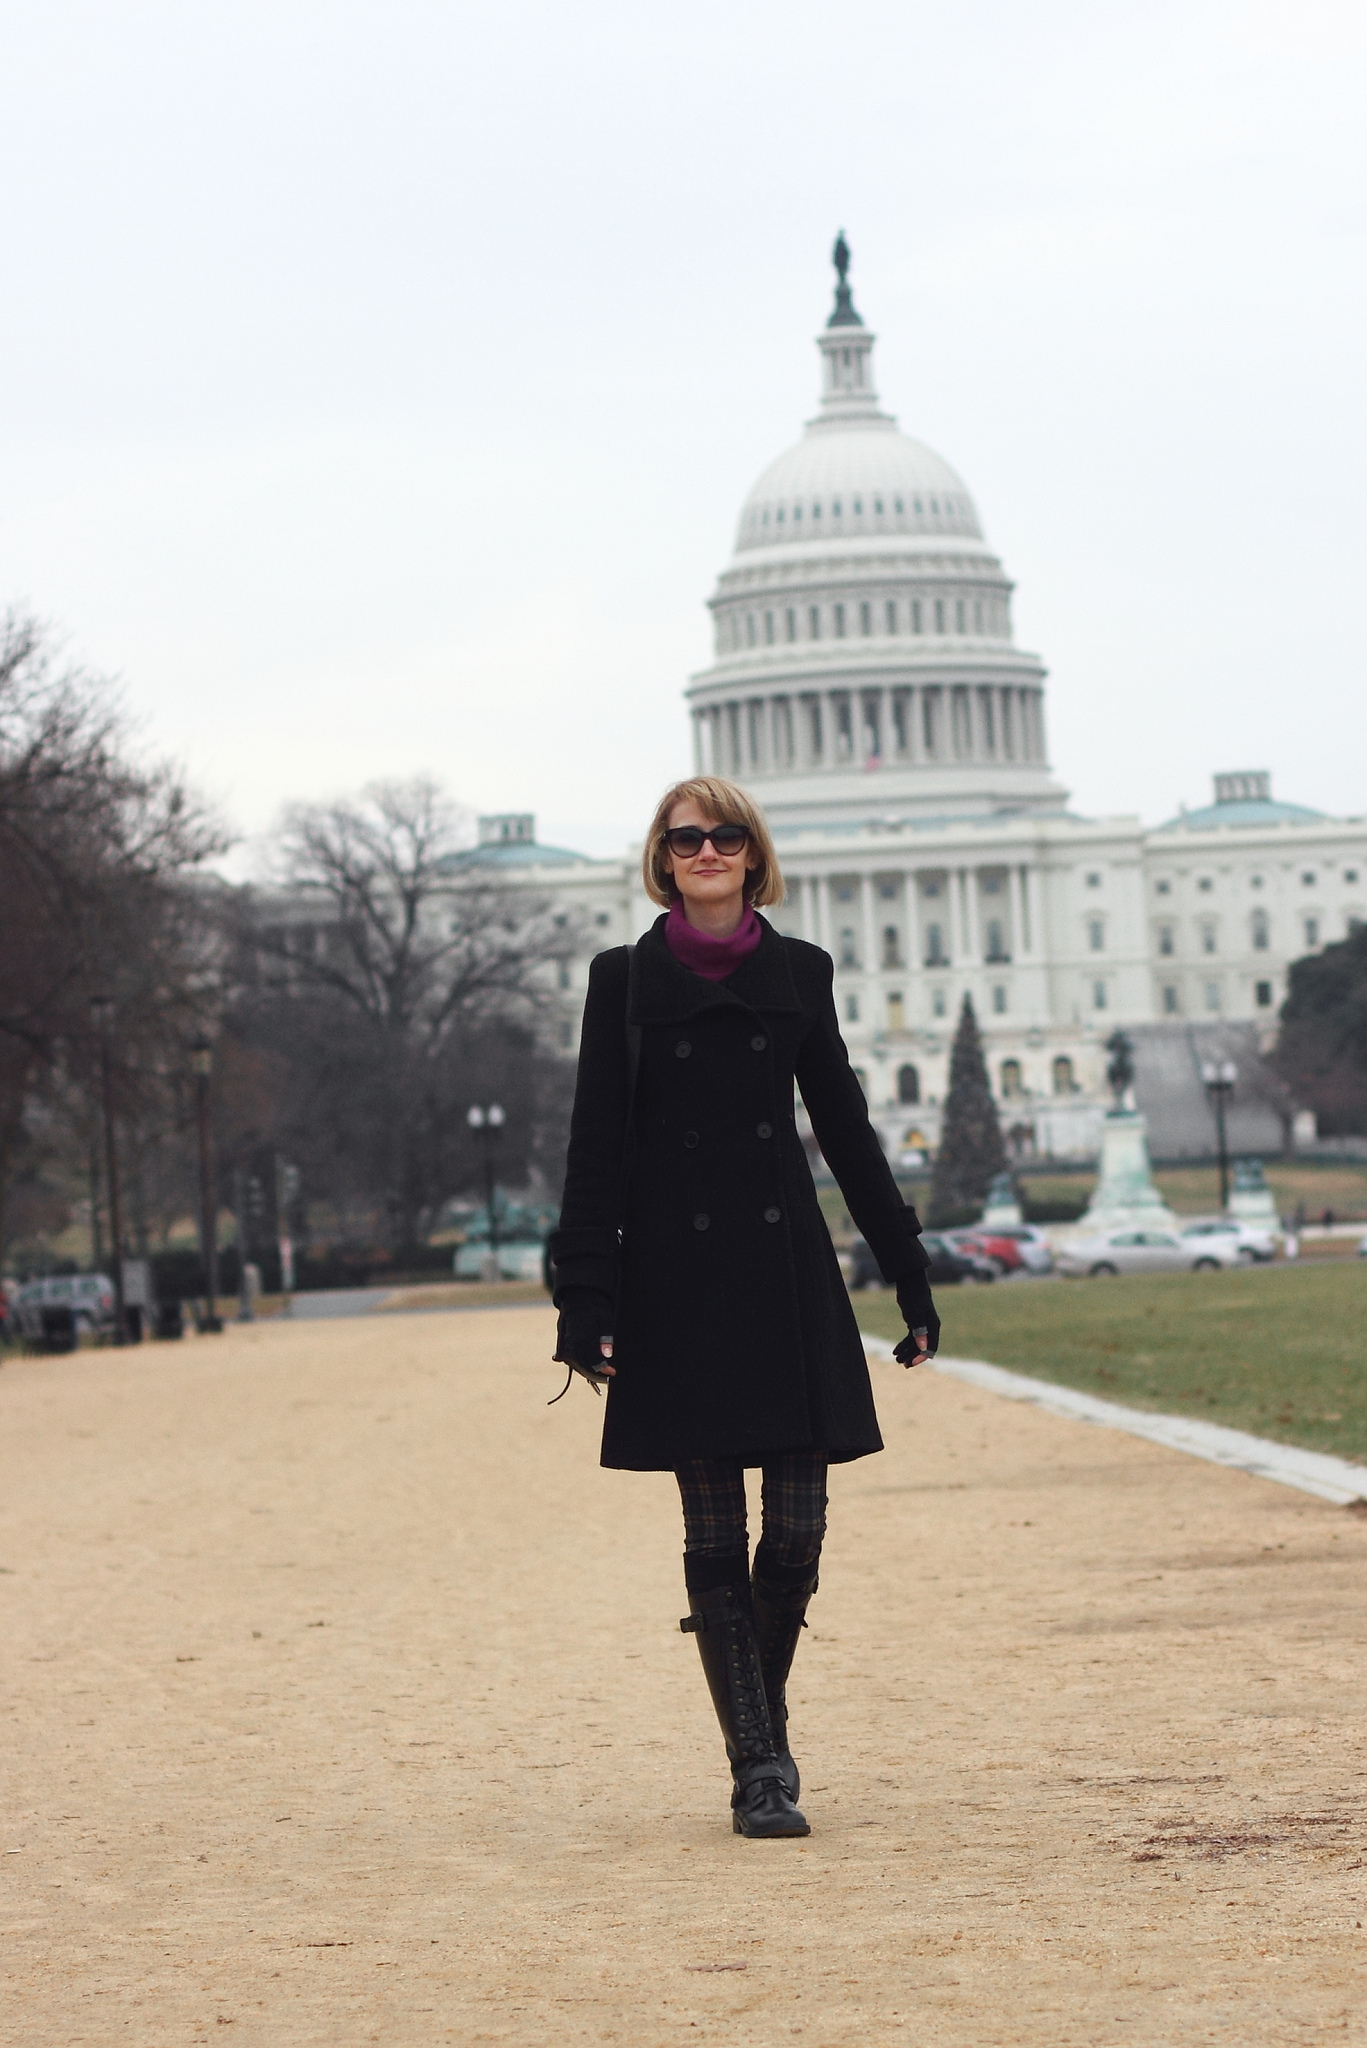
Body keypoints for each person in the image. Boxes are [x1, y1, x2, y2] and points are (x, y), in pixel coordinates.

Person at [548, 775, 939, 1840]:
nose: (707, 850)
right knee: (714, 1529)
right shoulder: (622, 979)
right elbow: (594, 1147)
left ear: (751, 851)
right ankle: (761, 1764)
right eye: (687, 838)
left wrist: (906, 1271)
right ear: (662, 857)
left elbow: (848, 1132)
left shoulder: (796, 973)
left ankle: (752, 1726)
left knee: (799, 1531)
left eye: (724, 835)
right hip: (676, 1279)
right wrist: (582, 1294)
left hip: (782, 1273)